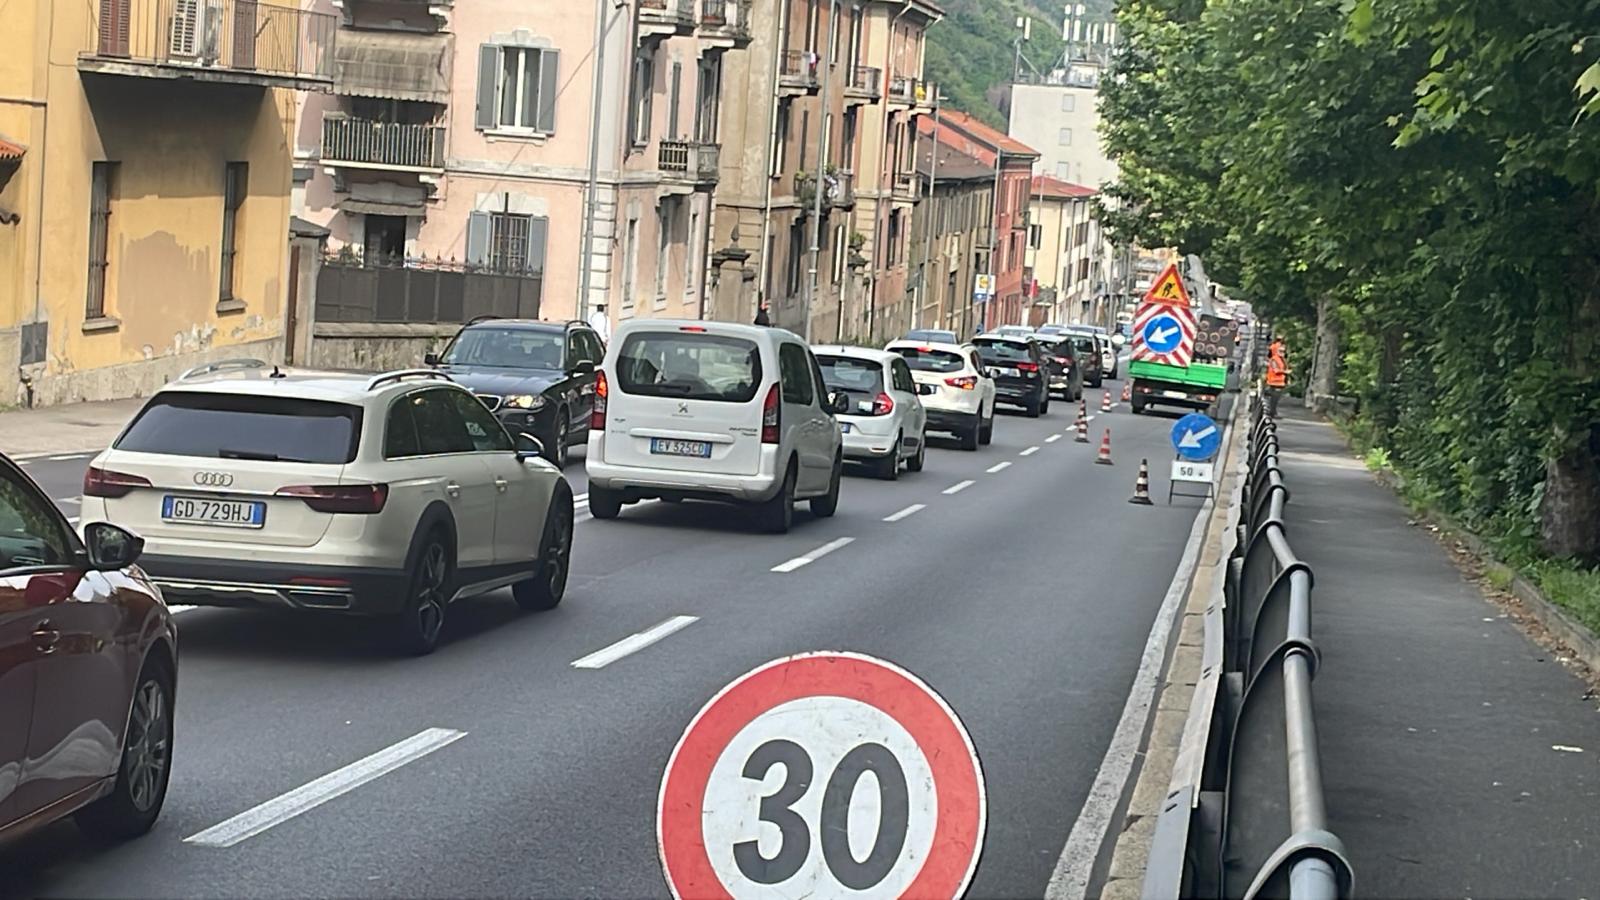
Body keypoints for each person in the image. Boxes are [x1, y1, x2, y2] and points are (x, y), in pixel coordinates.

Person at [1264, 336, 1289, 417]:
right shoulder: (1275, 359)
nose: (1283, 353)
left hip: (1279, 382)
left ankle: (1272, 412)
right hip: (1275, 382)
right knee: (1274, 399)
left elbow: (1269, 354)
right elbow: (1276, 370)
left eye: (1284, 352)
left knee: (1275, 399)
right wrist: (1285, 372)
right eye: (1281, 351)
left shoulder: (1281, 358)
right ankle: (1272, 412)